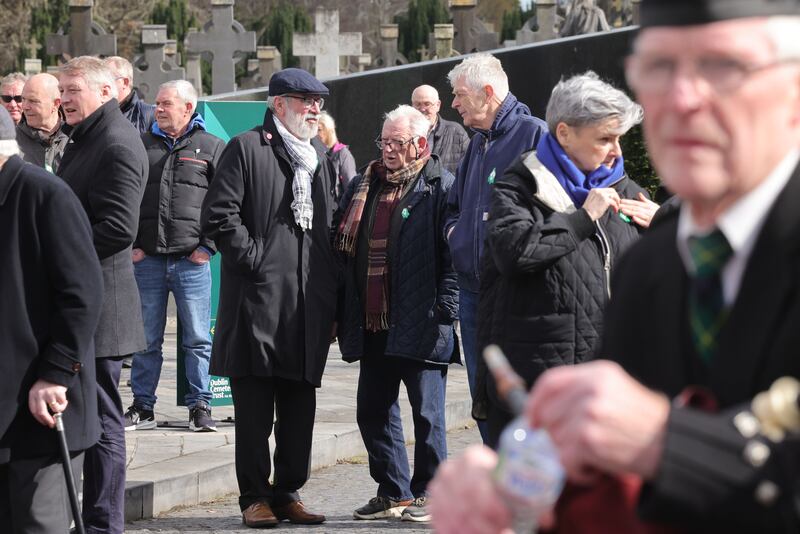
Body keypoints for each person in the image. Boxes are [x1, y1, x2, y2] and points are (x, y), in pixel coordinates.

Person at [430, 1, 800, 532]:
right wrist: (528, 503)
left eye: (722, 66)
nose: (681, 97)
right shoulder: (653, 265)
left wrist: (667, 443)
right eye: (658, 68)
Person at [477, 72, 656, 447]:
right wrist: (581, 219)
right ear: (564, 134)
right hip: (540, 387)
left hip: (610, 388)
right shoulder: (520, 186)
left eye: (619, 138)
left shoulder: (622, 188)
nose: (616, 152)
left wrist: (665, 221)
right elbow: (514, 253)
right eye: (605, 139)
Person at [201, 68, 337, 528]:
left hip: (305, 306)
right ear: (278, 104)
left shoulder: (318, 154)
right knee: (255, 414)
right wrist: (253, 258)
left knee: (300, 411)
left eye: (318, 101)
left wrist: (328, 292)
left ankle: (287, 492)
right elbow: (220, 216)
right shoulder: (246, 147)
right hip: (257, 303)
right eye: (304, 100)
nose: (314, 108)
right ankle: (254, 498)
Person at [335, 105, 458, 523]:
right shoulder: (361, 185)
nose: (387, 150)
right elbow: (342, 248)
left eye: (396, 142)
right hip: (374, 321)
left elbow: (452, 256)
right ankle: (393, 491)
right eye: (383, 141)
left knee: (427, 414)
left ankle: (432, 493)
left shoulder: (441, 187)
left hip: (423, 319)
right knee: (372, 409)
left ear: (420, 144)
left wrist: (446, 307)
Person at [56, 56, 148, 534]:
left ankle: (104, 523)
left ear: (106, 92)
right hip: (85, 302)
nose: (64, 98)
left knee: (105, 422)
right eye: (62, 90)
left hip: (103, 308)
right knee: (90, 417)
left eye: (73, 90)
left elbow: (117, 229)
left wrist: (56, 255)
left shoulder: (115, 142)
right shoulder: (85, 137)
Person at [0, 105, 103, 533]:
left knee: (38, 525)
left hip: (38, 409)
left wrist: (55, 374)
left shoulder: (45, 195)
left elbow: (83, 295)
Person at [443, 53, 547, 444]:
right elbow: (453, 207)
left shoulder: (534, 135)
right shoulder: (475, 144)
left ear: (487, 93)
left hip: (513, 290)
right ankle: (499, 475)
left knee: (515, 394)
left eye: (459, 95)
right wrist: (455, 234)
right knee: (481, 394)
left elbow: (553, 207)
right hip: (471, 290)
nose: (453, 104)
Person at [125, 80, 225, 433]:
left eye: (166, 103)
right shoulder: (140, 144)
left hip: (191, 261)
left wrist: (207, 247)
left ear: (188, 107)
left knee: (198, 338)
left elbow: (226, 202)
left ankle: (200, 406)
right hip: (147, 260)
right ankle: (142, 406)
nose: (158, 108)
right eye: (156, 102)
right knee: (146, 339)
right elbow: (127, 196)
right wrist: (134, 243)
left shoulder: (211, 147)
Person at [411, 84, 469, 175]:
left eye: (427, 104)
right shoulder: (405, 134)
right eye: (417, 104)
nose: (422, 109)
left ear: (438, 105)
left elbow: (470, 169)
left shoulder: (456, 132)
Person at [16, 73, 69, 171]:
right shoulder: (10, 142)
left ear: (56, 103)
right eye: (23, 99)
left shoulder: (75, 137)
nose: (25, 107)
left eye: (33, 101)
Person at [104, 56, 155, 133]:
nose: (102, 85)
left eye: (107, 79)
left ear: (125, 82)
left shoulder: (149, 115)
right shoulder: (95, 112)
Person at [317, 110, 356, 197]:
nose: (315, 133)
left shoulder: (343, 154)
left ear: (329, 131)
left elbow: (351, 189)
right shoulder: (313, 153)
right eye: (314, 129)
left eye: (319, 129)